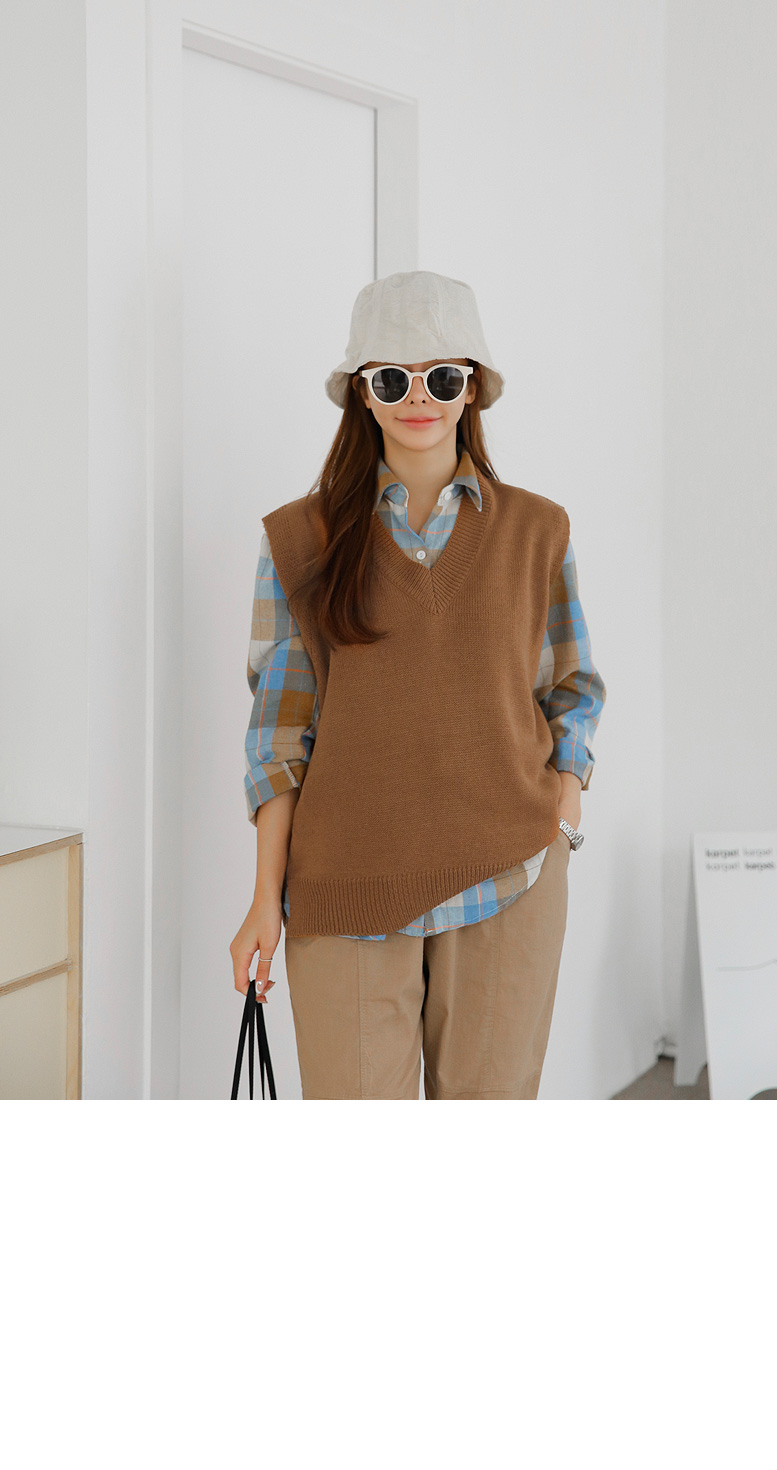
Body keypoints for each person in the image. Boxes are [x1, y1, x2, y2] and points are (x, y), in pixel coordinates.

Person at [230, 269, 606, 1099]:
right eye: (391, 380)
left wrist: (564, 805)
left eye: (441, 377)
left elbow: (572, 687)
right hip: (345, 890)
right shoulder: (300, 540)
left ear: (471, 387)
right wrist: (263, 900)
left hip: (511, 875)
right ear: (361, 393)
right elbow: (279, 740)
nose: (418, 399)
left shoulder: (538, 530)